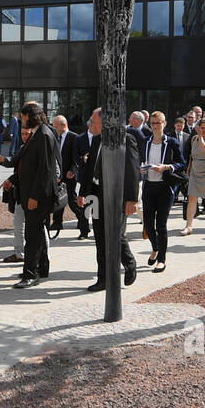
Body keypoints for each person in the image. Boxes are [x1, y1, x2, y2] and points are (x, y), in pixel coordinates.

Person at [76, 107, 140, 291]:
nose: (90, 125)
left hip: (116, 196)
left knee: (116, 234)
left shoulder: (125, 139)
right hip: (96, 195)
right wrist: (82, 193)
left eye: (94, 122)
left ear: (104, 123)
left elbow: (132, 170)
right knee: (99, 236)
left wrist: (131, 199)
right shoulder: (96, 140)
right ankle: (103, 278)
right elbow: (89, 170)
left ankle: (129, 263)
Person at [11, 101, 59, 289]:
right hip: (31, 195)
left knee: (32, 236)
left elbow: (45, 171)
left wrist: (35, 197)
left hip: (37, 197)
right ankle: (39, 268)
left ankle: (31, 274)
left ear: (31, 117)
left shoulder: (44, 135)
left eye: (23, 118)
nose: (22, 122)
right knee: (37, 234)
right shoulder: (38, 134)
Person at [139, 111, 184, 272]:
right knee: (148, 224)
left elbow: (181, 163)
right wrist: (141, 168)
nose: (156, 126)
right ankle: (155, 248)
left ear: (165, 123)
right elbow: (140, 160)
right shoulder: (145, 141)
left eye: (159, 123)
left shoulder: (171, 142)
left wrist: (166, 167)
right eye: (153, 123)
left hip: (165, 187)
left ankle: (162, 259)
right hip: (149, 186)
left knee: (161, 224)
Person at [0, 126, 38, 264]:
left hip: (34, 195)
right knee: (18, 225)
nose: (24, 136)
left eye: (27, 133)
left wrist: (11, 180)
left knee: (38, 229)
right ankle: (19, 254)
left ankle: (40, 257)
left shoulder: (37, 149)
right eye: (22, 134)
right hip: (21, 194)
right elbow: (15, 165)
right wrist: (3, 161)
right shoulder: (22, 148)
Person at [180, 117, 205, 235]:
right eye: (202, 128)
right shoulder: (194, 139)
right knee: (192, 198)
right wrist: (188, 169)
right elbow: (192, 155)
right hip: (195, 170)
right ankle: (188, 226)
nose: (204, 130)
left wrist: (201, 136)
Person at [50, 115, 88, 239]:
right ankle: (57, 223)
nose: (54, 128)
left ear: (63, 125)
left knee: (72, 201)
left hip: (69, 174)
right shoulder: (55, 136)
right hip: (57, 174)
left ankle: (84, 224)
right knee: (58, 199)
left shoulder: (74, 137)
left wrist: (73, 170)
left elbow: (77, 157)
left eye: (55, 126)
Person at [170, 115, 192, 213]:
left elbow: (189, 150)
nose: (180, 127)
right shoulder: (170, 136)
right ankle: (173, 198)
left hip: (185, 163)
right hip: (174, 163)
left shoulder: (187, 136)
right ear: (175, 125)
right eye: (178, 125)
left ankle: (188, 198)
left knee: (185, 181)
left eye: (182, 125)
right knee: (174, 181)